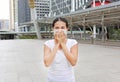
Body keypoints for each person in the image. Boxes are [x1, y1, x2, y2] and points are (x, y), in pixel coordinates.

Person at [44, 17, 78, 82]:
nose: (60, 30)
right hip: (52, 79)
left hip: (68, 79)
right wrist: (57, 44)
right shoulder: (48, 44)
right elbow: (47, 63)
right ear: (53, 29)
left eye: (62, 28)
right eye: (57, 28)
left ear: (67, 29)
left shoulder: (73, 43)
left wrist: (62, 43)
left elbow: (73, 62)